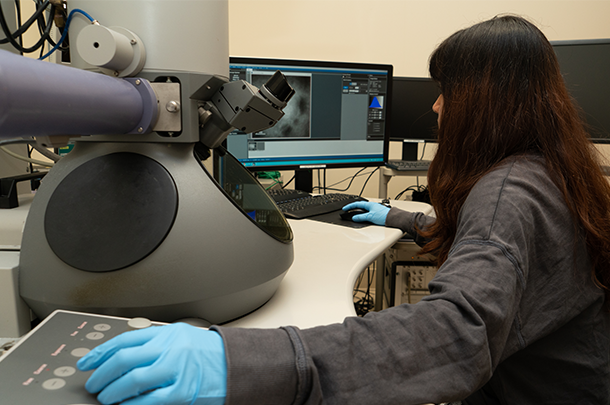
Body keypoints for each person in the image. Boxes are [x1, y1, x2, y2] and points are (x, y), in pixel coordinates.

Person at [76, 15, 610, 404]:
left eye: (447, 91)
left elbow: (456, 333)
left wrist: (237, 362)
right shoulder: (549, 169)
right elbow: (501, 245)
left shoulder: (509, 191)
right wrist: (398, 218)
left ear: (485, 100)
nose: (436, 105)